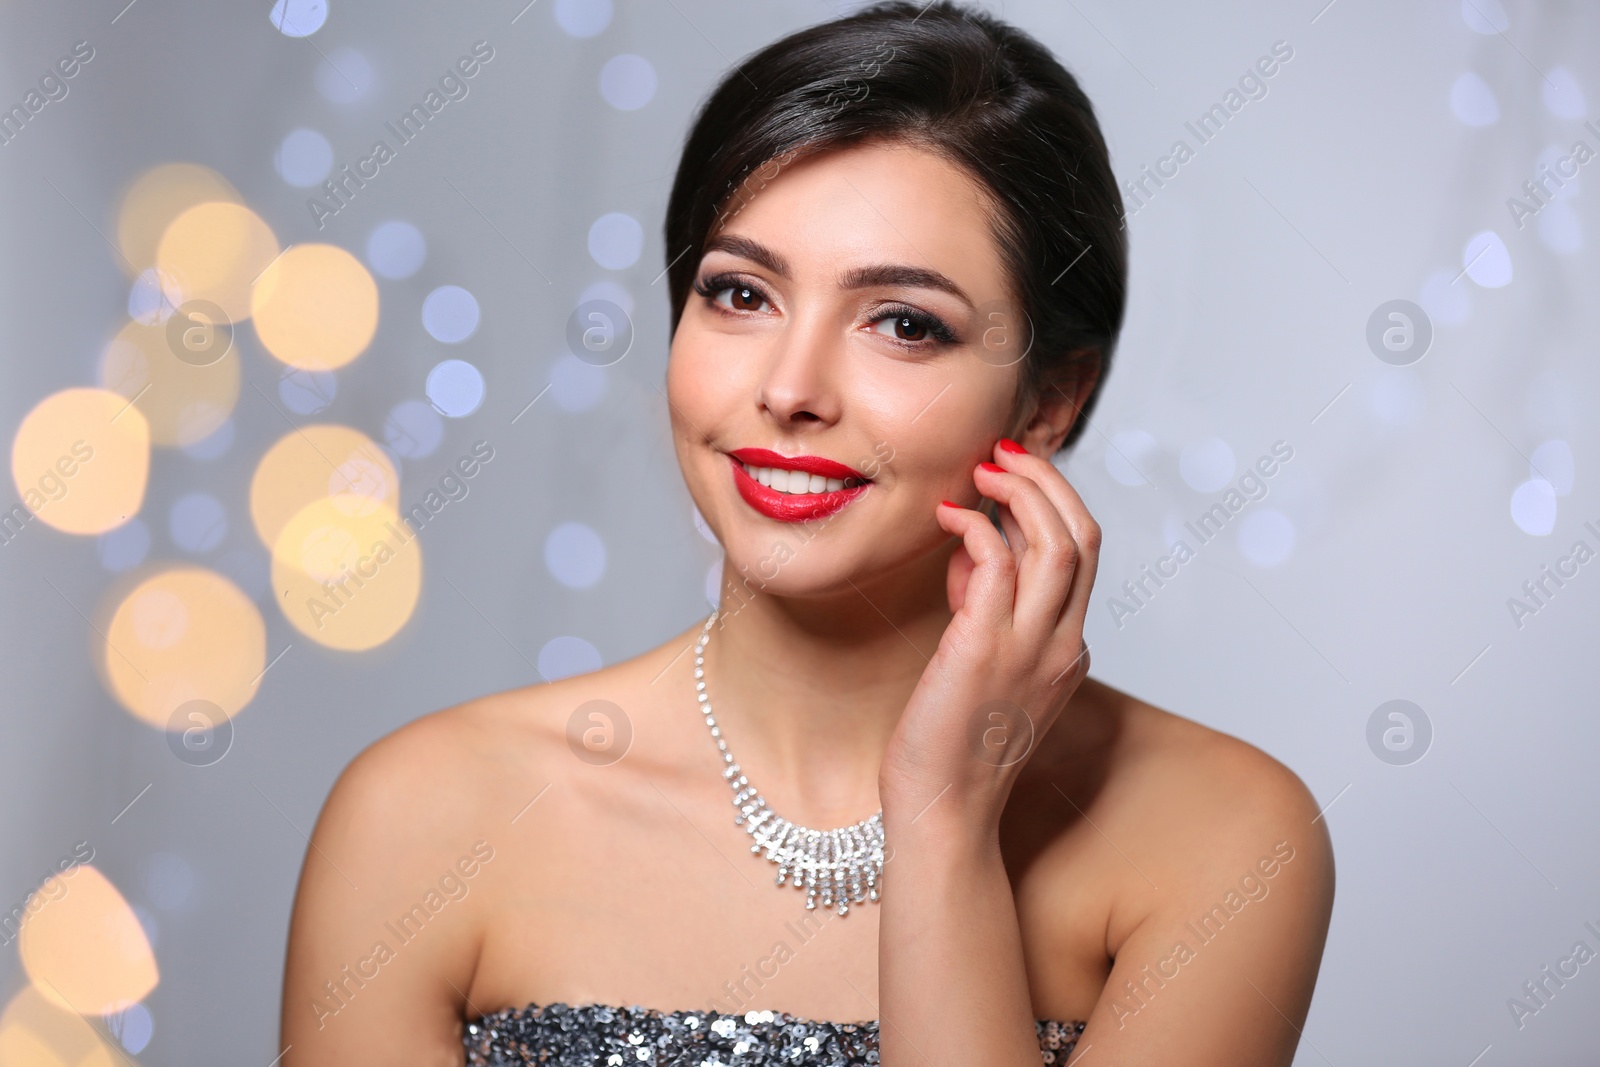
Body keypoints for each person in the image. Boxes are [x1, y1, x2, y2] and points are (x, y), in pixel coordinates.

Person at [279, 2, 1335, 1063]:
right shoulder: (427, 817)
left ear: (1049, 400)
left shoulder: (1222, 838)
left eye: (904, 323)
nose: (788, 389)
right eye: (739, 292)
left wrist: (941, 823)